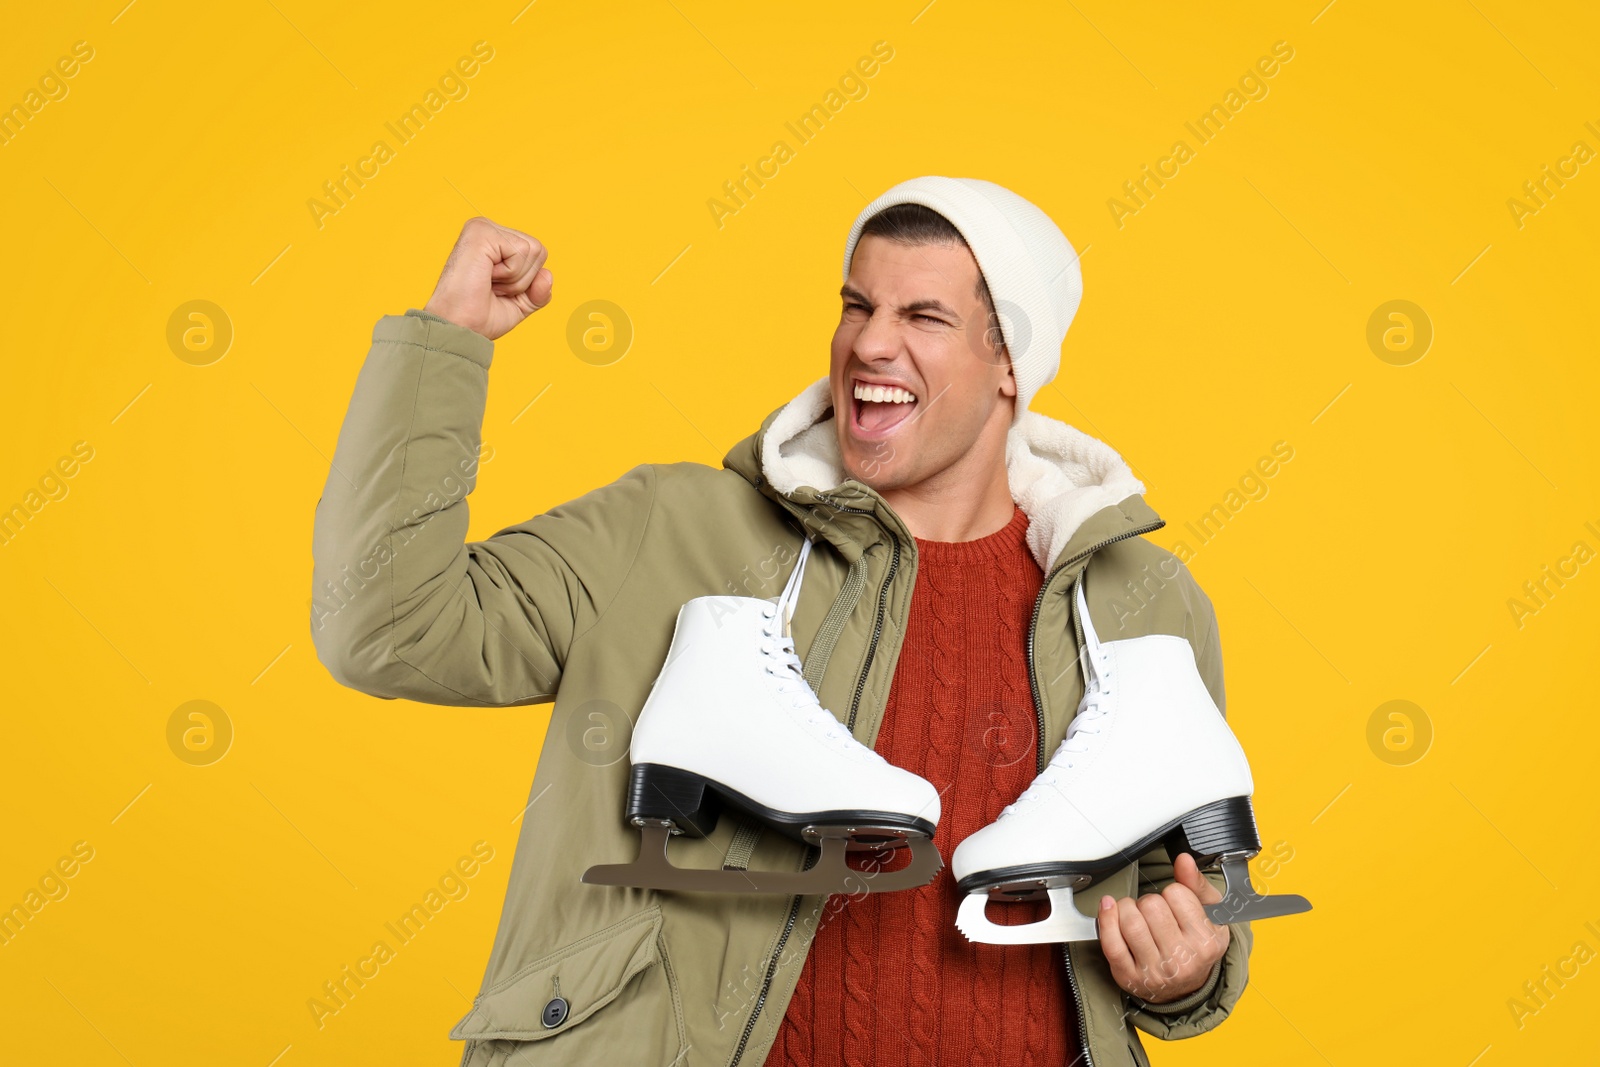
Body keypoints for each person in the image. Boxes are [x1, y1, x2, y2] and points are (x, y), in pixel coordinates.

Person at [311, 176, 1251, 1067]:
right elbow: (387, 624)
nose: (871, 345)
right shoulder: (675, 531)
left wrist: (1189, 967)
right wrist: (447, 341)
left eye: (923, 316)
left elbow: (1209, 894)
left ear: (1012, 360)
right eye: (857, 306)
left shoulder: (1141, 602)